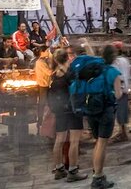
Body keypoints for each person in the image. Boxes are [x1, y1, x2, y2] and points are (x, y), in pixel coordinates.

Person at [87, 45, 123, 189]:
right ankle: (98, 177)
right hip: (106, 110)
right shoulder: (114, 72)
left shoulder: (95, 69)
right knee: (102, 144)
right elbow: (119, 94)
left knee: (97, 142)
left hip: (92, 109)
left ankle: (96, 170)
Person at [49, 48, 87, 182]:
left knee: (59, 139)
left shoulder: (53, 74)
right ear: (68, 58)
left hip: (59, 110)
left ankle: (59, 169)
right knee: (74, 141)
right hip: (72, 109)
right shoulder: (70, 74)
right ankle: (73, 170)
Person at [111, 41, 131, 142]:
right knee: (122, 112)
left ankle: (123, 134)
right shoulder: (125, 60)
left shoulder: (116, 61)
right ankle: (122, 132)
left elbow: (118, 76)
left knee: (120, 112)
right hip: (125, 88)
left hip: (119, 89)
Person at [35, 46, 52, 134]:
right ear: (42, 52)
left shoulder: (43, 61)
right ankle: (40, 121)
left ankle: (43, 122)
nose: (49, 53)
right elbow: (49, 72)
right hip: (43, 85)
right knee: (42, 104)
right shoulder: (40, 62)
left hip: (46, 85)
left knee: (45, 103)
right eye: (47, 51)